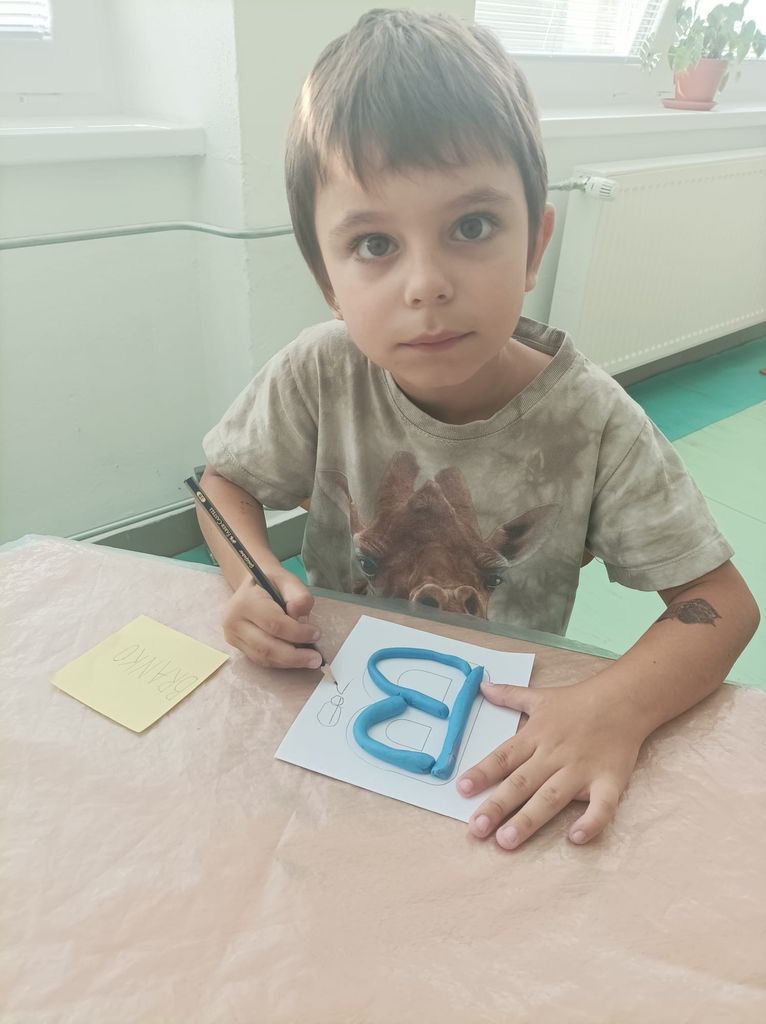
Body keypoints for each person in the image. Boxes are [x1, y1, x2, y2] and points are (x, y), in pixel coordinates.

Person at [197, 8, 759, 851]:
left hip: (504, 749)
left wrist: (615, 708)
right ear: (327, 279)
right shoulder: (319, 371)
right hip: (328, 713)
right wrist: (253, 577)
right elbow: (221, 484)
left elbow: (723, 606)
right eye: (374, 243)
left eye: (470, 227)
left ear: (534, 246)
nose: (426, 284)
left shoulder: (593, 421)